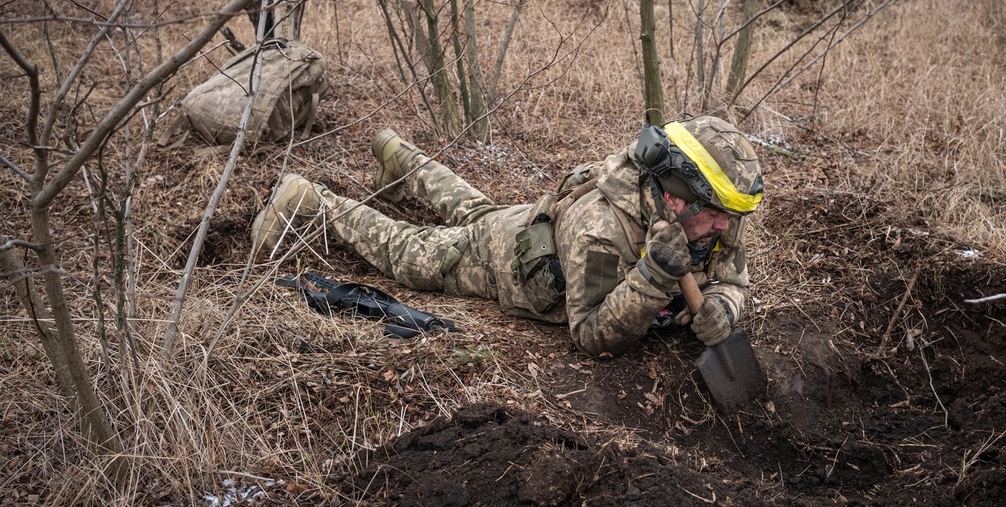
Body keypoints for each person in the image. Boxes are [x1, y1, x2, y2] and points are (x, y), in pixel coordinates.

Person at [251, 115, 764, 357]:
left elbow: (733, 279)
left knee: (474, 206)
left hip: (524, 221)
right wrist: (653, 277)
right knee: (407, 252)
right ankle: (310, 200)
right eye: (717, 214)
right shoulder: (603, 232)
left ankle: (397, 155)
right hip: (499, 261)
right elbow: (588, 334)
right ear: (675, 198)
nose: (726, 228)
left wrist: (725, 303)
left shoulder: (718, 215)